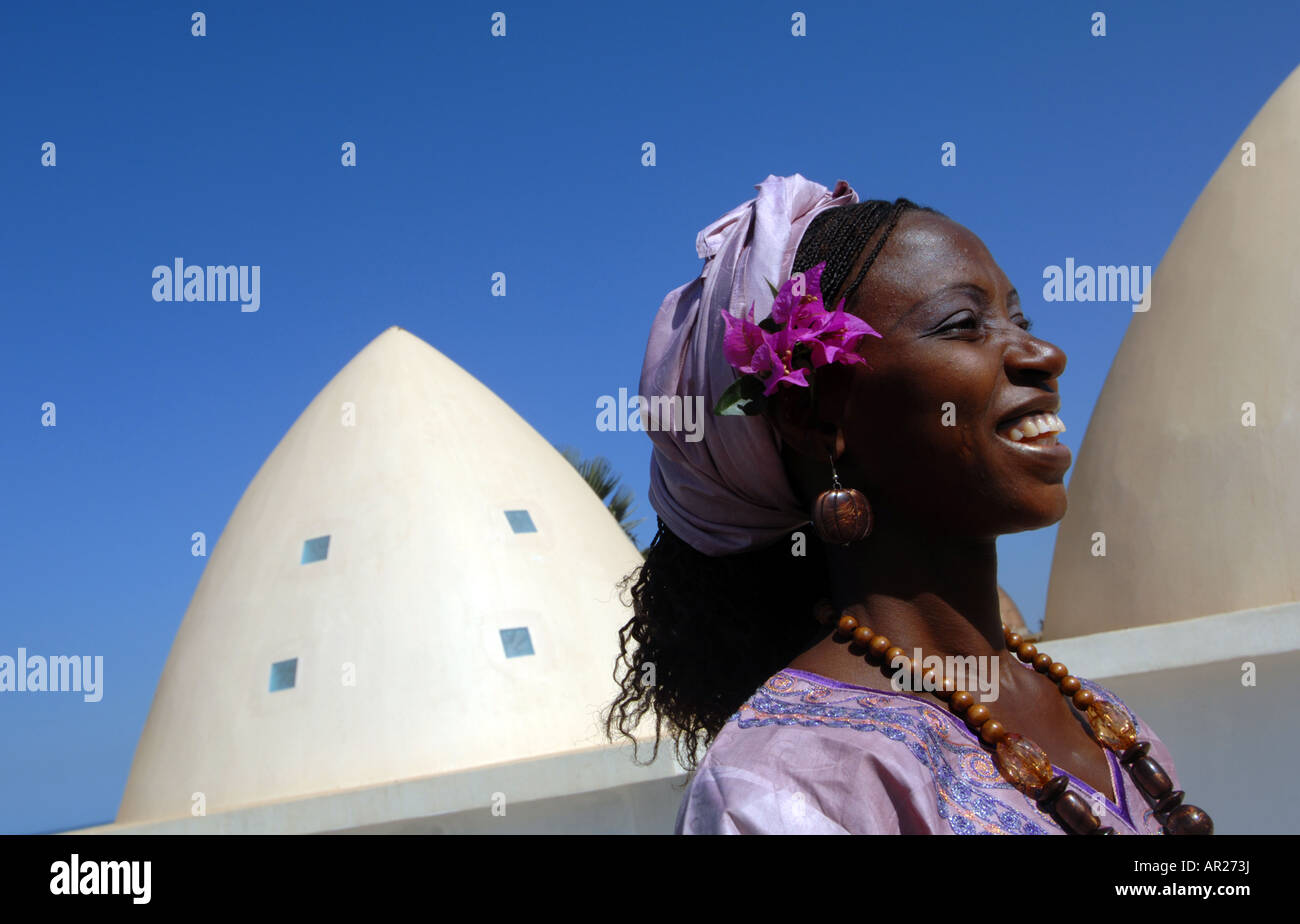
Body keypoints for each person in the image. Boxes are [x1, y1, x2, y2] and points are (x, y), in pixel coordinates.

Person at [605, 173, 1211, 835]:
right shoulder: (785, 788)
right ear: (813, 419)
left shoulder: (1106, 721)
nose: (1045, 354)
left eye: (1020, 318)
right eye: (963, 326)